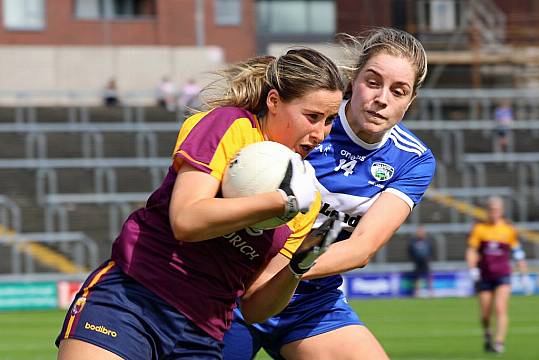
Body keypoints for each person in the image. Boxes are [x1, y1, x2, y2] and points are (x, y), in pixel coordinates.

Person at [55, 48, 344, 359]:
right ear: (273, 101)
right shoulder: (231, 126)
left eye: (329, 120)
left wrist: (300, 264)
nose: (320, 134)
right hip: (133, 299)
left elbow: (255, 307)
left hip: (201, 335)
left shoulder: (307, 200)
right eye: (312, 117)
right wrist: (277, 201)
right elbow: (186, 221)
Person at [223, 27, 436, 360]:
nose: (382, 98)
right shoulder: (308, 118)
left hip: (311, 299)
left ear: (410, 102)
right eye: (373, 81)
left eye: (399, 91)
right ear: (353, 81)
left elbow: (362, 247)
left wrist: (284, 272)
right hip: (234, 284)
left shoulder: (413, 159)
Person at [466, 196, 530, 354]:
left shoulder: (508, 229)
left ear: (501, 211)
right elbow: (472, 250)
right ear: (487, 211)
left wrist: (524, 275)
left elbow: (518, 253)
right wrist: (473, 269)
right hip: (485, 275)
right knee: (486, 313)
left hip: (503, 275)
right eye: (491, 210)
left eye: (496, 210)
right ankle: (488, 333)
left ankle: (499, 342)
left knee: (501, 308)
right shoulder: (479, 228)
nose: (493, 212)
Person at [407, 225, 434, 297]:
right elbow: (410, 251)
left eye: (422, 231)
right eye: (419, 231)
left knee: (428, 276)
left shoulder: (428, 241)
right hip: (417, 262)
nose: (421, 233)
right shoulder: (414, 241)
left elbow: (432, 250)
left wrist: (429, 258)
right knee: (417, 278)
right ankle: (417, 293)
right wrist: (413, 259)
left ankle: (431, 292)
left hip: (426, 261)